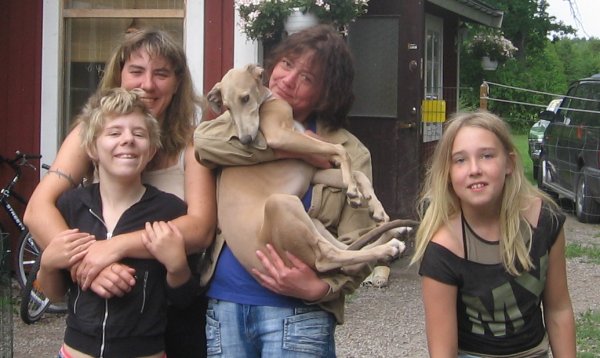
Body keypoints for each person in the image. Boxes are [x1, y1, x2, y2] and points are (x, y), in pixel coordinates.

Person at [194, 24, 385, 357]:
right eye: (286, 64)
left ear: (328, 94)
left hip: (298, 314)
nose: (287, 79)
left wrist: (321, 288)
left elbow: (362, 240)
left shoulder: (348, 150)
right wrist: (295, 149)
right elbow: (201, 145)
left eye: (307, 78)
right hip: (225, 305)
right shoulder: (236, 123)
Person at [24, 28, 216, 357]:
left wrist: (115, 247)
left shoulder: (192, 143)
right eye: (136, 71)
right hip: (101, 315)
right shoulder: (92, 132)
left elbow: (199, 230)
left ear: (177, 82)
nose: (148, 84)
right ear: (119, 73)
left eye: (161, 73)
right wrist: (89, 262)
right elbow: (38, 208)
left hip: (169, 311)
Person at [38, 87, 196, 358]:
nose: (128, 140)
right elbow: (55, 294)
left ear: (151, 149)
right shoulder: (71, 207)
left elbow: (183, 301)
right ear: (92, 148)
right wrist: (48, 264)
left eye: (138, 134)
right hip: (76, 351)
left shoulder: (171, 210)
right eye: (114, 133)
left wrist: (177, 266)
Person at [409, 111, 576, 357]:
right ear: (447, 173)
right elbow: (443, 350)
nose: (474, 169)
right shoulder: (442, 249)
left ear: (509, 163)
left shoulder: (545, 221)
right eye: (460, 160)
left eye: (487, 156)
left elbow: (558, 309)